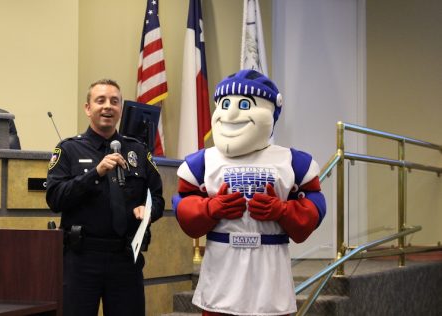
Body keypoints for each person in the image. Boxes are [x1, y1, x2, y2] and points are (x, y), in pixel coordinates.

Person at [172, 70, 326, 316]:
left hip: (270, 270)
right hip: (222, 269)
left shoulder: (293, 162)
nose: (231, 113)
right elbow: (184, 207)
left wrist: (283, 211)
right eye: (225, 104)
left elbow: (315, 207)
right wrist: (210, 209)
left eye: (245, 104)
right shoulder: (202, 162)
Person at [46, 78, 164, 316]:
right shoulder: (68, 149)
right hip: (81, 259)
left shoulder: (137, 151)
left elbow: (158, 198)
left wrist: (148, 210)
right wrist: (95, 174)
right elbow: (55, 198)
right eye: (100, 101)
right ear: (88, 108)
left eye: (114, 101)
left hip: (125, 257)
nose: (107, 106)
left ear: (121, 108)